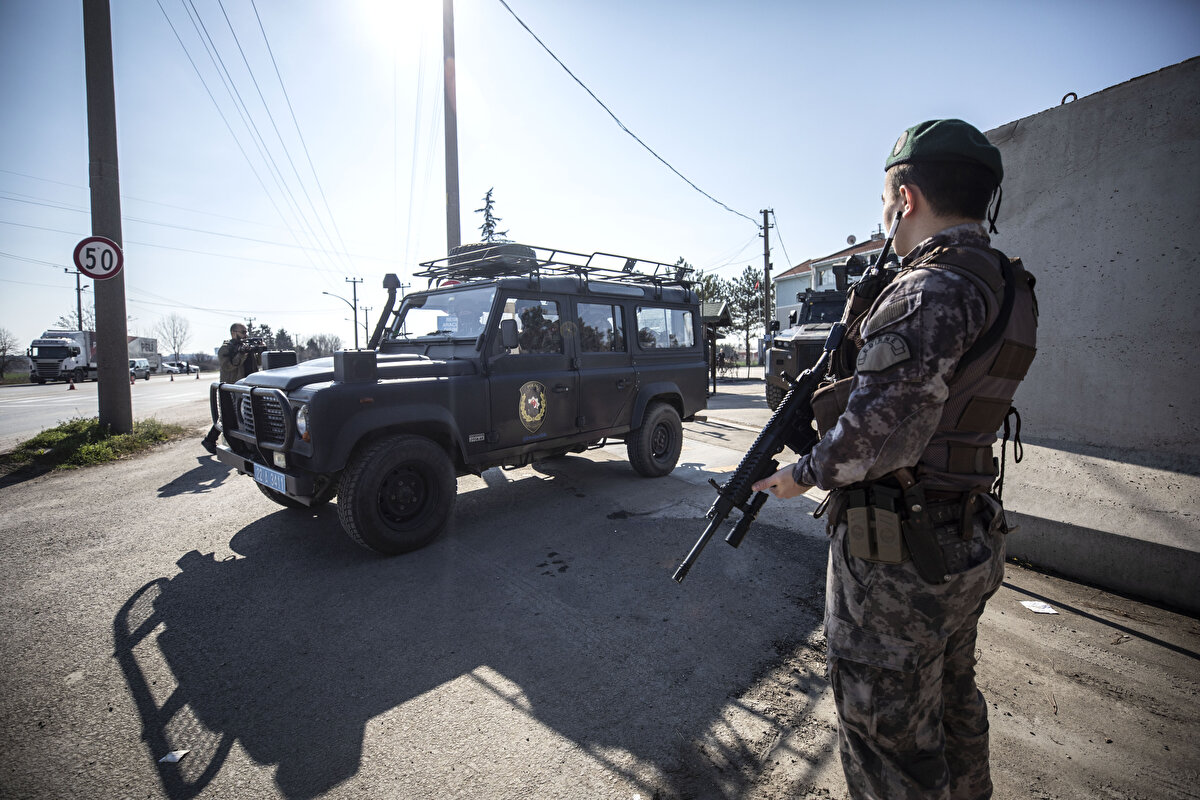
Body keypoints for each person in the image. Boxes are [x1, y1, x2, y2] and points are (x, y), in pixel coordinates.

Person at [752, 119, 1038, 799]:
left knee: (887, 741)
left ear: (904, 198)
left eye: (885, 199)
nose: (882, 213)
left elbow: (877, 440)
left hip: (901, 560)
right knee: (950, 702)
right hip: (964, 533)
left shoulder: (926, 290)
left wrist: (799, 476)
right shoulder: (1004, 282)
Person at [201, 323, 261, 454]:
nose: (246, 335)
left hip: (248, 386)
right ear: (234, 333)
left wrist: (259, 351)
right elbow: (229, 366)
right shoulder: (225, 349)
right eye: (243, 332)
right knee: (229, 415)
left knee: (245, 414)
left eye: (246, 332)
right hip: (232, 386)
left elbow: (259, 363)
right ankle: (210, 440)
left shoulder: (245, 347)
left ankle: (246, 443)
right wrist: (242, 354)